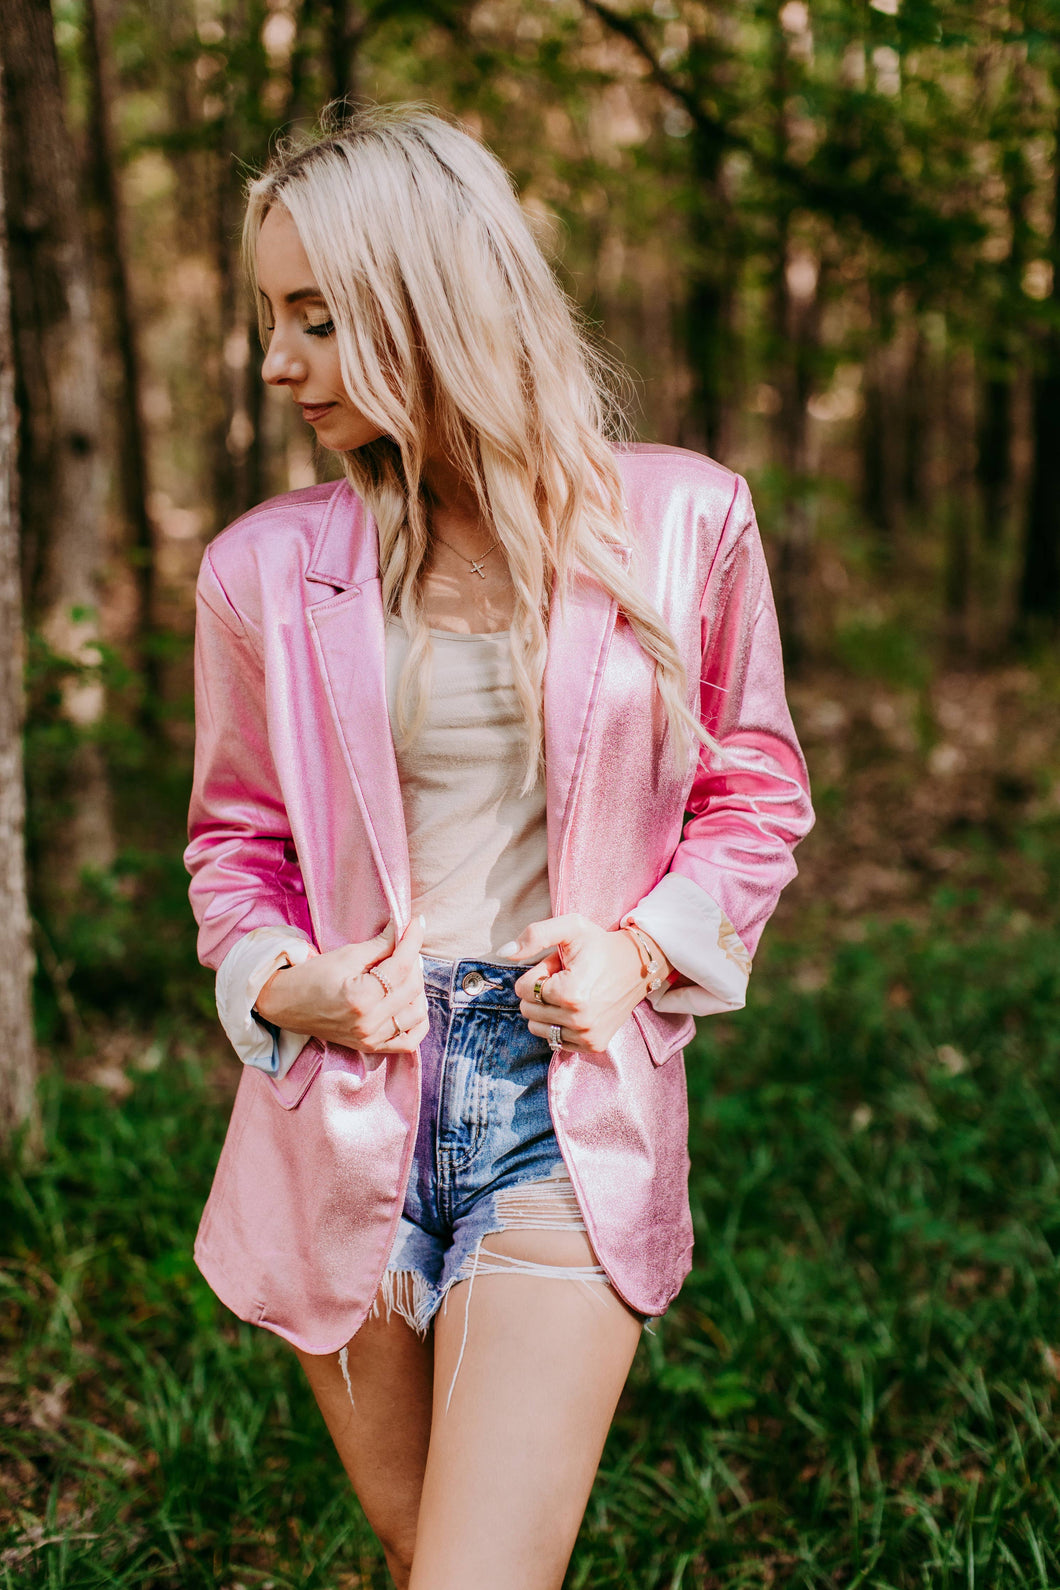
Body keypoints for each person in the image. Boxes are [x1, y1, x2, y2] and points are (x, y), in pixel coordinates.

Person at [184, 103, 813, 1590]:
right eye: (270, 318)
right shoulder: (264, 568)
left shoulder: (683, 520)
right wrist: (293, 984)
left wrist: (641, 950)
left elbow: (757, 794)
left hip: (560, 1096)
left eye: (318, 319)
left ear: (430, 302)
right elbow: (236, 843)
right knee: (428, 1553)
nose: (277, 363)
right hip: (344, 1109)